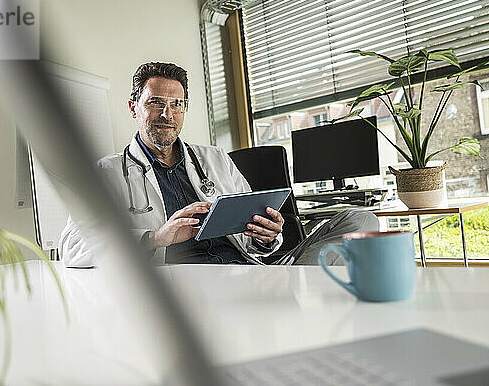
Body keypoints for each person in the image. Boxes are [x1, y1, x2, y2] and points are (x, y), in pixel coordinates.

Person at [59, 62, 378, 267]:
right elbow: (72, 247)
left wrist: (267, 236)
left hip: (251, 273)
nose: (167, 114)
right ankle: (304, 294)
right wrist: (158, 236)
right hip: (182, 288)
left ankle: (301, 288)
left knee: (359, 219)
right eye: (155, 103)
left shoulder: (215, 159)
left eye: (177, 104)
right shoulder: (106, 172)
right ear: (134, 107)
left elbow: (258, 240)